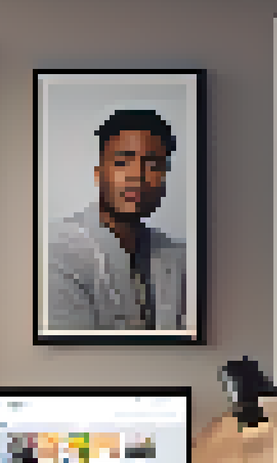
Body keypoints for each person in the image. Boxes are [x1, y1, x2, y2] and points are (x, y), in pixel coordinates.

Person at [48, 109, 186, 331]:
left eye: (152, 165)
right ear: (98, 173)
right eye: (122, 162)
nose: (137, 175)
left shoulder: (181, 258)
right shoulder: (54, 251)